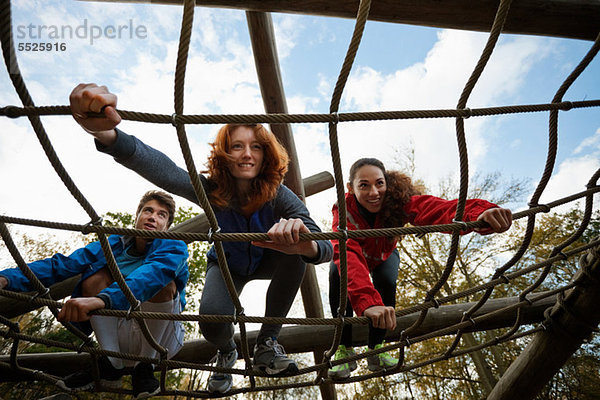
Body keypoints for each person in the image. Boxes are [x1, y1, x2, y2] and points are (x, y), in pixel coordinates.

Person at [68, 83, 333, 394]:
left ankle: (267, 342)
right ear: (225, 154)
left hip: (270, 261)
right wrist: (108, 136)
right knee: (212, 321)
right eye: (236, 146)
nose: (247, 154)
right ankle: (227, 351)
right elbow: (166, 171)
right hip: (227, 263)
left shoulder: (279, 195)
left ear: (266, 155)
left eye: (256, 147)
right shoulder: (212, 190)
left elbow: (324, 245)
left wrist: (306, 245)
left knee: (296, 256)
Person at [328, 158, 512, 379]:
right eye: (364, 185)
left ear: (387, 183)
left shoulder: (397, 201)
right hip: (353, 257)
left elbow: (437, 209)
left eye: (379, 183)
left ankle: (376, 347)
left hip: (383, 255)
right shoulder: (344, 209)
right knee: (337, 275)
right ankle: (343, 347)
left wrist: (480, 212)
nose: (374, 192)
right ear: (351, 188)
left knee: (386, 281)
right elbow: (347, 252)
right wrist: (367, 302)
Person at [0, 190, 189, 398]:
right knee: (94, 277)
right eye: (148, 211)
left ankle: (145, 366)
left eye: (161, 215)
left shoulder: (174, 247)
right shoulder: (113, 245)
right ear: (137, 217)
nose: (153, 217)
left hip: (160, 340)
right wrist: (8, 278)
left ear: (167, 226)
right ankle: (110, 362)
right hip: (119, 332)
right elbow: (63, 264)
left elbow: (152, 274)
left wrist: (102, 299)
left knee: (164, 284)